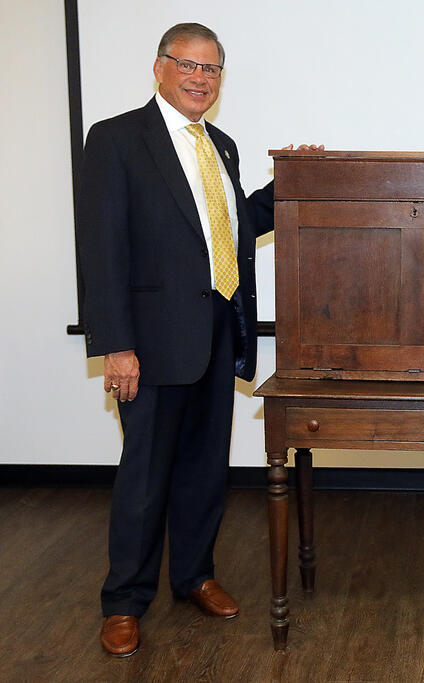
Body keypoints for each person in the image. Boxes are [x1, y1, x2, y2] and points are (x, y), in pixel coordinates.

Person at [77, 22, 319, 657]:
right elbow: (101, 251)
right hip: (150, 344)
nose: (199, 78)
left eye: (211, 69)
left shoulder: (224, 146)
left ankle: (193, 576)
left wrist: (292, 180)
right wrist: (116, 345)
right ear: (158, 68)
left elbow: (232, 223)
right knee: (145, 476)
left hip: (217, 331)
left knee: (205, 468)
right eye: (187, 64)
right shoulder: (116, 139)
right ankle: (124, 601)